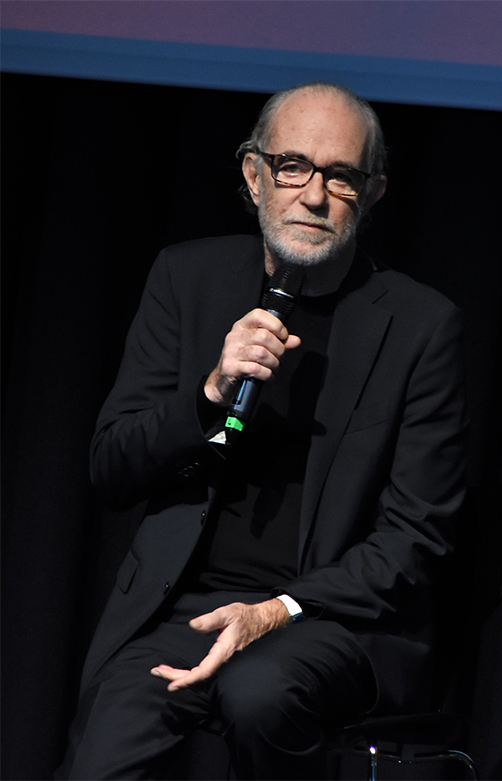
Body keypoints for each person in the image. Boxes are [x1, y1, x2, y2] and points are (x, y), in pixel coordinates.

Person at [57, 82, 468, 780]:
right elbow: (112, 468)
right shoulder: (187, 277)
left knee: (260, 693)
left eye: (341, 176)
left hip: (334, 618)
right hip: (186, 611)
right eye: (293, 166)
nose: (315, 195)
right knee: (106, 746)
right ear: (254, 176)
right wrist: (210, 392)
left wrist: (276, 610)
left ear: (371, 194)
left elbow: (416, 536)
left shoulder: (421, 327)